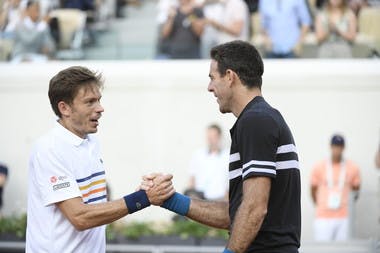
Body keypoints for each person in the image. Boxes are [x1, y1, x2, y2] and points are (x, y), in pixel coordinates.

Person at [143, 40, 301, 253]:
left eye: (212, 78)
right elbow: (237, 214)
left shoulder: (256, 121)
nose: (209, 87)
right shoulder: (258, 119)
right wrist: (170, 200)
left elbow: (254, 208)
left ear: (229, 76)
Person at [26, 66, 175, 253]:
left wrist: (144, 192)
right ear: (64, 108)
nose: (100, 108)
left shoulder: (91, 142)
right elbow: (80, 217)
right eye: (90, 102)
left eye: (99, 100)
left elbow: (94, 207)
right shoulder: (49, 149)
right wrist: (142, 198)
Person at [310, 134, 361, 241]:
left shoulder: (352, 167)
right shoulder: (320, 166)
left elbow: (356, 188)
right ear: (330, 147)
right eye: (335, 146)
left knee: (342, 249)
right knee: (322, 248)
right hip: (323, 217)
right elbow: (313, 188)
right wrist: (320, 203)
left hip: (342, 216)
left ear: (343, 148)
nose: (337, 149)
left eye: (339, 146)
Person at [187, 124, 229, 200]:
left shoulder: (227, 156)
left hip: (220, 200)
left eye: (213, 137)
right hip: (200, 198)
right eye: (209, 137)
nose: (210, 140)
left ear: (219, 137)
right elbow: (192, 177)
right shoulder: (198, 154)